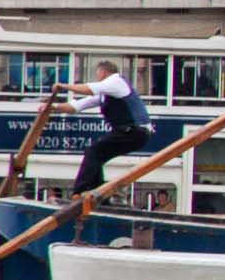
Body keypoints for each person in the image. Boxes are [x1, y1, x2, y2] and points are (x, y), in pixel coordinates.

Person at [53, 60, 155, 195]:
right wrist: (52, 107)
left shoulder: (116, 81)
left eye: (97, 74)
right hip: (133, 133)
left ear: (103, 72)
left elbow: (88, 89)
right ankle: (99, 195)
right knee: (96, 155)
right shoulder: (105, 94)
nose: (97, 77)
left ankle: (80, 191)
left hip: (134, 130)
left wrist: (64, 86)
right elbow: (76, 106)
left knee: (93, 151)